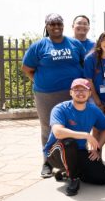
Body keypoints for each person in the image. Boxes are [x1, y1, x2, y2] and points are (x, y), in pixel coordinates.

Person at [22, 13, 85, 178]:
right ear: (46, 26)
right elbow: (27, 68)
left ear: (63, 25)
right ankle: (48, 162)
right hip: (46, 94)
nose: (56, 27)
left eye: (59, 24)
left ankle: (73, 160)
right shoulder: (39, 46)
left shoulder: (75, 44)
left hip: (72, 94)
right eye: (52, 24)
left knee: (73, 126)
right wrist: (41, 81)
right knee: (47, 128)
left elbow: (84, 64)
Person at [43, 78, 105, 196]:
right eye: (76, 90)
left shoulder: (93, 110)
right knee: (69, 142)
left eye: (84, 90)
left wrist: (97, 148)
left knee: (103, 177)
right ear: (71, 93)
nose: (80, 93)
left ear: (89, 93)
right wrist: (85, 135)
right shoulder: (60, 108)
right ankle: (73, 178)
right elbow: (58, 132)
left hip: (79, 151)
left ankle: (68, 172)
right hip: (56, 153)